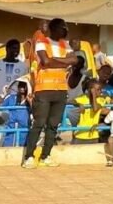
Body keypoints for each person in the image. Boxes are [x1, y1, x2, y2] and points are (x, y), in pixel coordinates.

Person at [22, 19, 80, 168]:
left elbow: (74, 60)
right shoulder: (42, 42)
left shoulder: (64, 44)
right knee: (39, 123)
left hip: (60, 89)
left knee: (54, 125)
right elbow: (45, 61)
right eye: (63, 28)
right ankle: (28, 157)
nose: (65, 30)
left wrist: (55, 60)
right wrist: (64, 61)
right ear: (54, 28)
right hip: (43, 90)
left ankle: (45, 156)